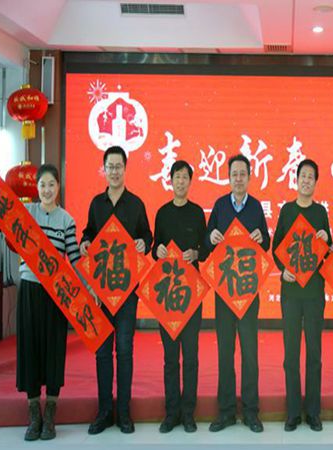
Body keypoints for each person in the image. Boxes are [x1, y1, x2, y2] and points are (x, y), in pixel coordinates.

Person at [81, 146, 153, 435]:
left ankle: (123, 412)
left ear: (125, 168)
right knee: (102, 352)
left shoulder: (135, 204)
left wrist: (143, 244)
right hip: (100, 292)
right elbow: (88, 232)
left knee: (124, 350)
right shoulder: (96, 204)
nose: (114, 171)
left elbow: (147, 236)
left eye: (118, 166)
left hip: (127, 292)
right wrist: (85, 242)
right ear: (104, 169)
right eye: (109, 166)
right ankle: (104, 412)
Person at [205, 154, 270, 433]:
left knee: (250, 353)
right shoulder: (220, 206)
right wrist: (211, 237)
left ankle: (251, 412)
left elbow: (266, 243)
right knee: (225, 352)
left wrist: (261, 238)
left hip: (248, 292)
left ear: (249, 177)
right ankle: (226, 412)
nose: (239, 178)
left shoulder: (256, 207)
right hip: (224, 292)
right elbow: (207, 244)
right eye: (234, 174)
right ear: (229, 177)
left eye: (243, 174)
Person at [16, 164, 80, 441]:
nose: (47, 190)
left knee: (54, 350)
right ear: (37, 187)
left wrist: (88, 286)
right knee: (29, 349)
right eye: (42, 185)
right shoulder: (25, 213)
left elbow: (74, 258)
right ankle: (34, 415)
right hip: (29, 289)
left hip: (57, 294)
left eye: (51, 184)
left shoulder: (67, 220)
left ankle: (50, 415)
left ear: (58, 187)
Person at [272, 159, 332, 432]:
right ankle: (293, 412)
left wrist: (327, 241)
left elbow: (328, 252)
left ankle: (313, 412)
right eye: (303, 176)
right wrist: (282, 269)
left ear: (315, 182)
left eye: (311, 177)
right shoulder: (287, 210)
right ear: (296, 180)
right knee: (291, 354)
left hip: (315, 292)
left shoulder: (321, 212)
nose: (306, 180)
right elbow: (276, 248)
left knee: (314, 353)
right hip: (291, 293)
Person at [152, 160, 207, 434]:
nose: (181, 181)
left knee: (191, 356)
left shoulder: (197, 213)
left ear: (190, 182)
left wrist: (196, 253)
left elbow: (205, 250)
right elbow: (154, 249)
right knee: (170, 357)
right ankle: (171, 413)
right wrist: (158, 251)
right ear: (171, 180)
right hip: (168, 295)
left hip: (191, 294)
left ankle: (188, 413)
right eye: (177, 177)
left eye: (185, 177)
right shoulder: (162, 213)